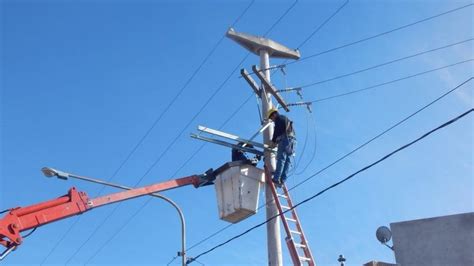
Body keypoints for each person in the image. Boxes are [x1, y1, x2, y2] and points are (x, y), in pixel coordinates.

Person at [267, 107, 296, 186]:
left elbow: (276, 132)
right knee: (288, 160)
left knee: (281, 159)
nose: (272, 119)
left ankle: (276, 178)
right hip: (292, 140)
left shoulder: (279, 119)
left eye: (271, 117)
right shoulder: (285, 118)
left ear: (275, 114)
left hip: (285, 140)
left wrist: (273, 142)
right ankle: (283, 179)